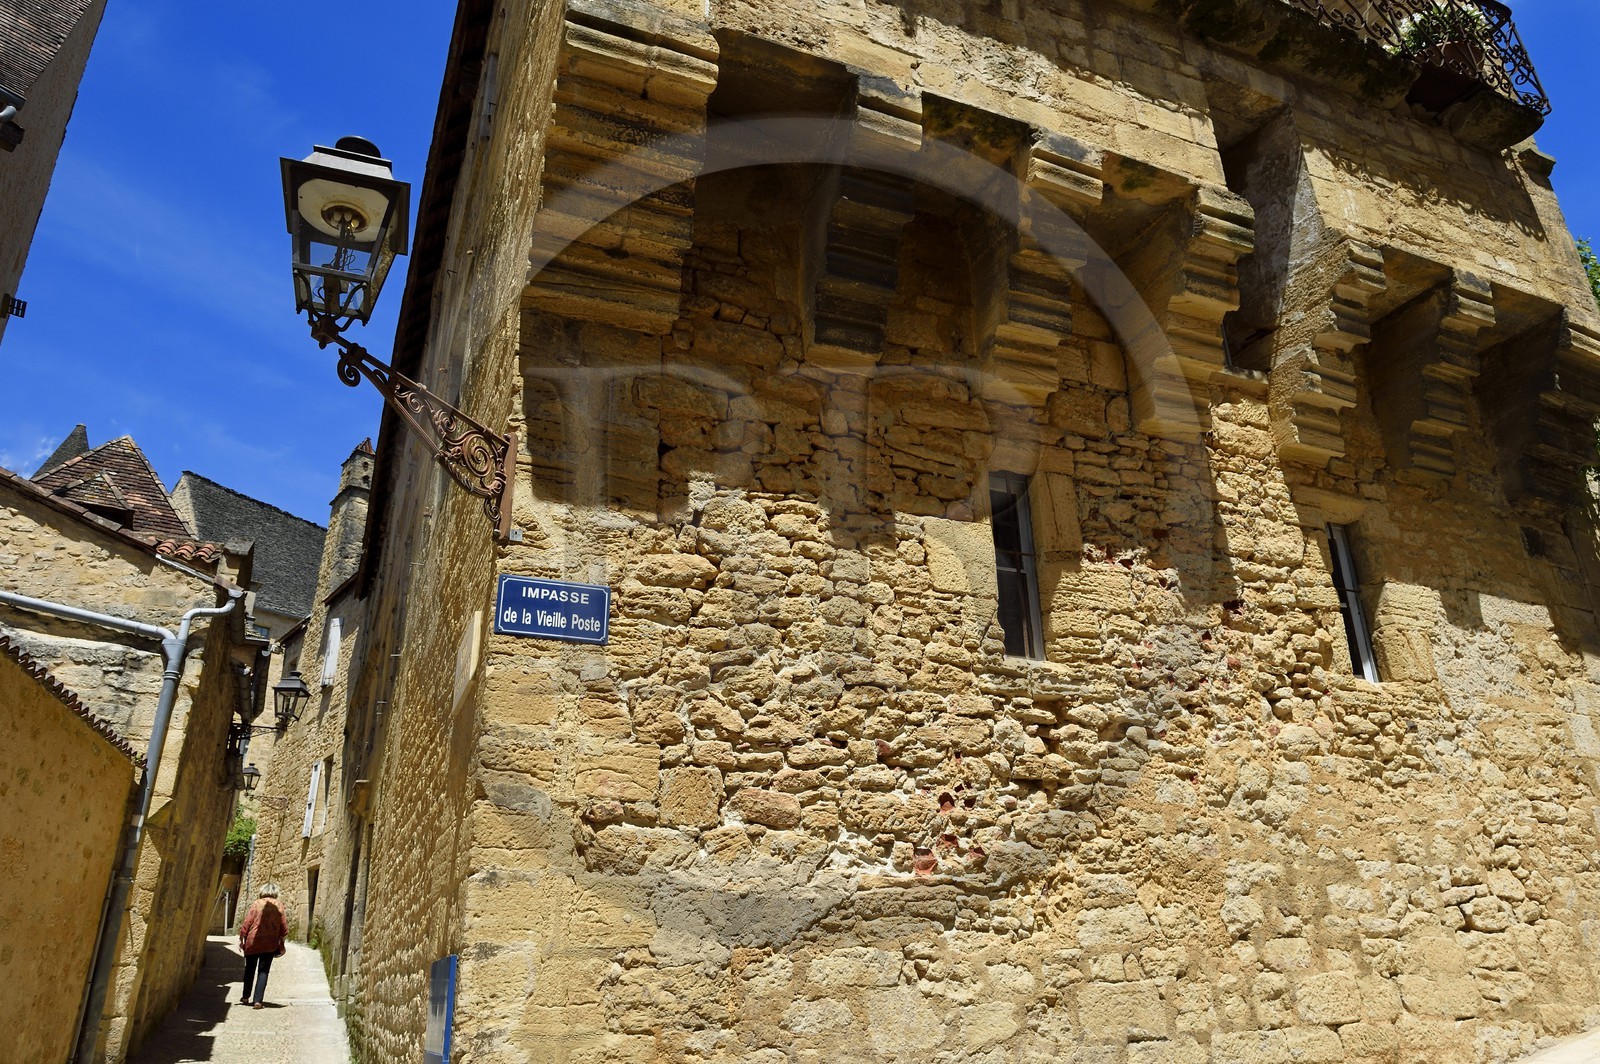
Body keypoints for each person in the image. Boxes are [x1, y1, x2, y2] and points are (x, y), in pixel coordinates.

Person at [238, 884, 288, 1008]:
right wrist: (281, 936)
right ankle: (258, 1001)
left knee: (249, 969)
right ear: (275, 893)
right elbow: (284, 927)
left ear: (262, 892)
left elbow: (248, 921)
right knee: (263, 971)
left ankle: (245, 997)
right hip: (269, 943)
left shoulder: (256, 904)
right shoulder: (279, 905)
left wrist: (242, 936)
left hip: (253, 942)